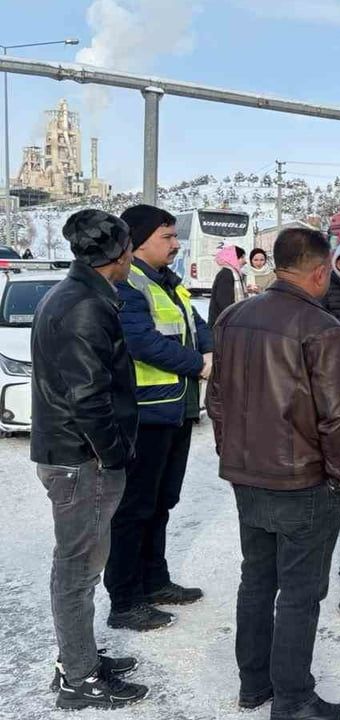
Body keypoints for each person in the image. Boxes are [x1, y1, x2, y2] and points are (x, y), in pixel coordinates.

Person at [207, 227, 340, 720]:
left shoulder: (233, 317)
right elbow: (339, 417)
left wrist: (233, 455)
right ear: (320, 272)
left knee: (256, 580)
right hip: (303, 481)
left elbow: (216, 401)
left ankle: (254, 684)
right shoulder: (322, 328)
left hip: (248, 474)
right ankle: (292, 698)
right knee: (299, 593)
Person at [32, 209, 148, 709]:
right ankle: (79, 677)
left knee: (78, 568)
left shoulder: (75, 294)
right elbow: (88, 398)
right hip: (81, 460)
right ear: (118, 255)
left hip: (73, 455)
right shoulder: (83, 305)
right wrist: (115, 453)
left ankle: (79, 657)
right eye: (128, 251)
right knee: (78, 570)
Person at [104, 204, 213, 633]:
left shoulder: (169, 283)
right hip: (145, 415)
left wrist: (208, 350)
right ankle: (125, 599)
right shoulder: (127, 285)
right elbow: (141, 342)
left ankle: (155, 581)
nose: (176, 244)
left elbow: (199, 325)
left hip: (176, 410)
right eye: (167, 237)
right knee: (134, 509)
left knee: (161, 503)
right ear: (139, 240)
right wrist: (199, 365)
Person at [208, 244, 247, 327]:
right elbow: (224, 302)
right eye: (242, 257)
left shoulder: (234, 273)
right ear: (233, 258)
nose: (245, 261)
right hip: (224, 324)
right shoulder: (226, 274)